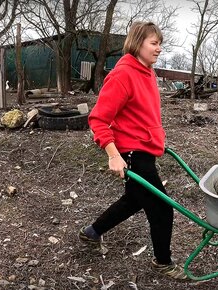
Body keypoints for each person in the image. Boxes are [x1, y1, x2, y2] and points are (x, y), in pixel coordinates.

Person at [79, 21, 188, 281]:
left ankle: (91, 233)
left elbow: (142, 114)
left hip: (145, 149)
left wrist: (156, 139)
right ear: (138, 43)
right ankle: (163, 262)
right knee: (162, 208)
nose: (159, 48)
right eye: (154, 43)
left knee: (134, 200)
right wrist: (113, 154)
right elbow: (98, 119)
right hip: (131, 154)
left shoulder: (147, 72)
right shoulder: (123, 75)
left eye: (160, 43)